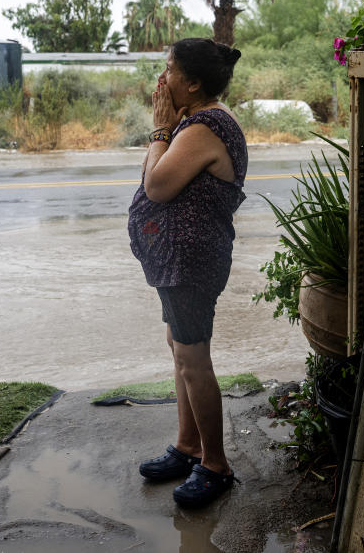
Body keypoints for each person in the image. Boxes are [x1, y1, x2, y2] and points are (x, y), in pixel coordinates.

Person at [128, 38, 247, 508]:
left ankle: (215, 465)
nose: (162, 78)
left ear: (193, 84)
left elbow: (155, 185)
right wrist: (165, 131)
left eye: (170, 69)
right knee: (180, 349)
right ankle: (187, 445)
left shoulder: (205, 126)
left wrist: (160, 131)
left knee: (193, 360)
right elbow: (151, 174)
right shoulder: (195, 121)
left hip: (190, 263)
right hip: (179, 260)